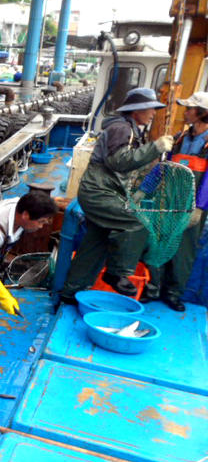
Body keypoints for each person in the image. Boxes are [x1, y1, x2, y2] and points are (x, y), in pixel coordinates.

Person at [60, 88, 173, 302]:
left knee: (96, 243)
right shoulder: (122, 129)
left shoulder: (129, 130)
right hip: (99, 193)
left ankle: (70, 292)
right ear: (136, 110)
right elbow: (118, 161)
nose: (153, 113)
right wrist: (155, 147)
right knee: (136, 221)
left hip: (102, 191)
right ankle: (116, 272)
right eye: (150, 108)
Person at [0, 192, 57, 355]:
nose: (41, 227)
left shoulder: (21, 209)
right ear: (26, 215)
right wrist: (3, 294)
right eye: (40, 222)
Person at [141, 91, 208, 311]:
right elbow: (163, 168)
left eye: (189, 108)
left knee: (184, 251)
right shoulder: (179, 138)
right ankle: (152, 288)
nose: (185, 111)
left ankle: (172, 294)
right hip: (167, 202)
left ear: (201, 113)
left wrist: (200, 207)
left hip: (191, 207)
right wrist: (145, 190)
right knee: (157, 244)